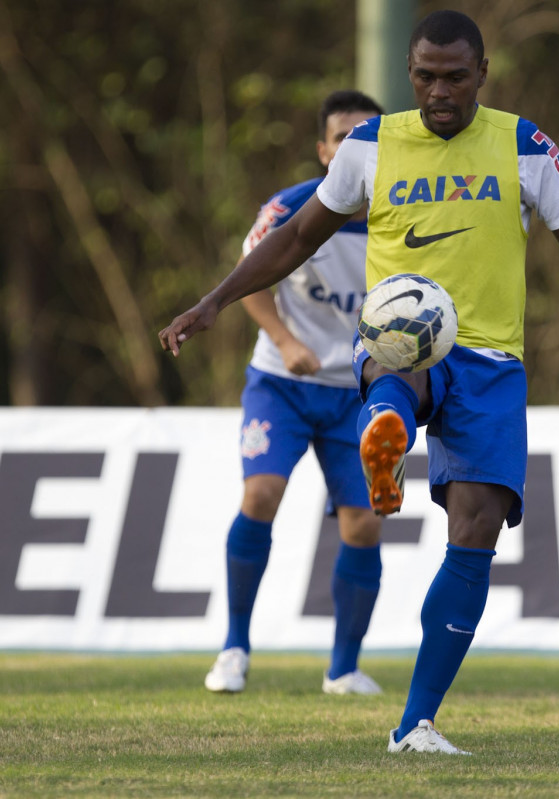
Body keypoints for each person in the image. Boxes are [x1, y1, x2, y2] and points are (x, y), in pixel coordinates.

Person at [161, 10, 559, 754]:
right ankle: (382, 429)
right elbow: (296, 238)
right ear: (410, 74)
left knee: (477, 530)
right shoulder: (368, 147)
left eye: (455, 76)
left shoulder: (526, 146)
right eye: (425, 75)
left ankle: (415, 723)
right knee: (401, 366)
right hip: (399, 336)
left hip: (493, 361)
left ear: (482, 74)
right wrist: (215, 300)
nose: (439, 90)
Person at [202, 90, 389, 698]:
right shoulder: (290, 207)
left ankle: (344, 667)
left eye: (368, 135)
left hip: (355, 394)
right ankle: (233, 648)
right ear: (323, 149)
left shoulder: (401, 214)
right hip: (282, 385)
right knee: (261, 493)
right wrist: (283, 340)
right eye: (343, 137)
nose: (355, 146)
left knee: (363, 525)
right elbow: (248, 280)